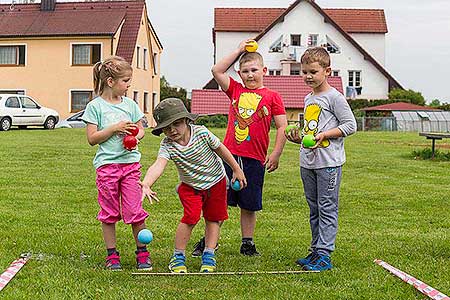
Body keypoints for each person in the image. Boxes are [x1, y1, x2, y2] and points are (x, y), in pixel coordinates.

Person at [191, 40, 287, 257]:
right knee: (219, 200)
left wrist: (276, 153)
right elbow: (217, 70)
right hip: (228, 156)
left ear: (264, 70)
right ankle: (209, 240)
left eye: (254, 70)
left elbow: (282, 126)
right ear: (240, 73)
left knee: (249, 203)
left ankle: (248, 243)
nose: (250, 75)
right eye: (245, 71)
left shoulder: (273, 97)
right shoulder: (235, 90)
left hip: (255, 159)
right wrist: (239, 50)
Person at [140, 98, 246, 273]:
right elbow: (159, 164)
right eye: (167, 127)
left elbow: (221, 149)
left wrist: (236, 169)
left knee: (214, 219)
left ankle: (209, 254)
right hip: (190, 187)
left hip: (216, 183)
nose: (172, 130)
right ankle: (178, 256)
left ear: (186, 120)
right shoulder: (168, 144)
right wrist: (147, 183)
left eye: (177, 124)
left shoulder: (202, 133)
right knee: (191, 218)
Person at [285, 47, 357, 271]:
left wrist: (325, 135)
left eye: (313, 72)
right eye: (303, 71)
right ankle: (316, 251)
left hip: (329, 164)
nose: (307, 76)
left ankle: (325, 255)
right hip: (308, 162)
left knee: (327, 207)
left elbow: (350, 126)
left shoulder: (335, 98)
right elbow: (311, 130)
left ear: (327, 71)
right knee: (314, 208)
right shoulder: (308, 98)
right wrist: (299, 138)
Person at [82, 56, 152, 271]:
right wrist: (114, 129)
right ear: (111, 81)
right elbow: (92, 139)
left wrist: (135, 137)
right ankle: (112, 255)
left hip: (130, 166)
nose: (129, 85)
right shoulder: (95, 107)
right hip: (107, 168)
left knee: (135, 211)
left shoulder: (130, 105)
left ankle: (142, 253)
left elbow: (141, 130)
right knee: (109, 212)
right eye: (126, 81)